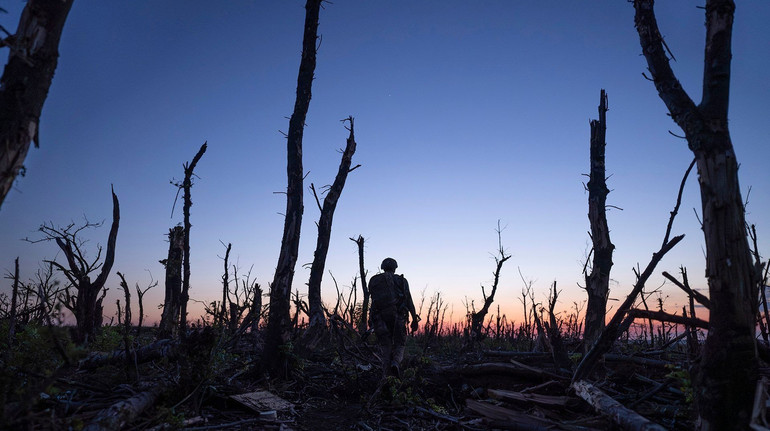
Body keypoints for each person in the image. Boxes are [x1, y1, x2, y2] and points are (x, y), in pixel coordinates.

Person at [368, 257, 420, 378]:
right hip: (398, 318)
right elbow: (409, 300)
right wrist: (414, 319)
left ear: (382, 267)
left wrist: (371, 319)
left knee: (385, 345)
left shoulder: (374, 280)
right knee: (400, 344)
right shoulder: (401, 281)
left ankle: (386, 374)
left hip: (379, 318)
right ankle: (396, 363)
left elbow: (373, 302)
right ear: (395, 268)